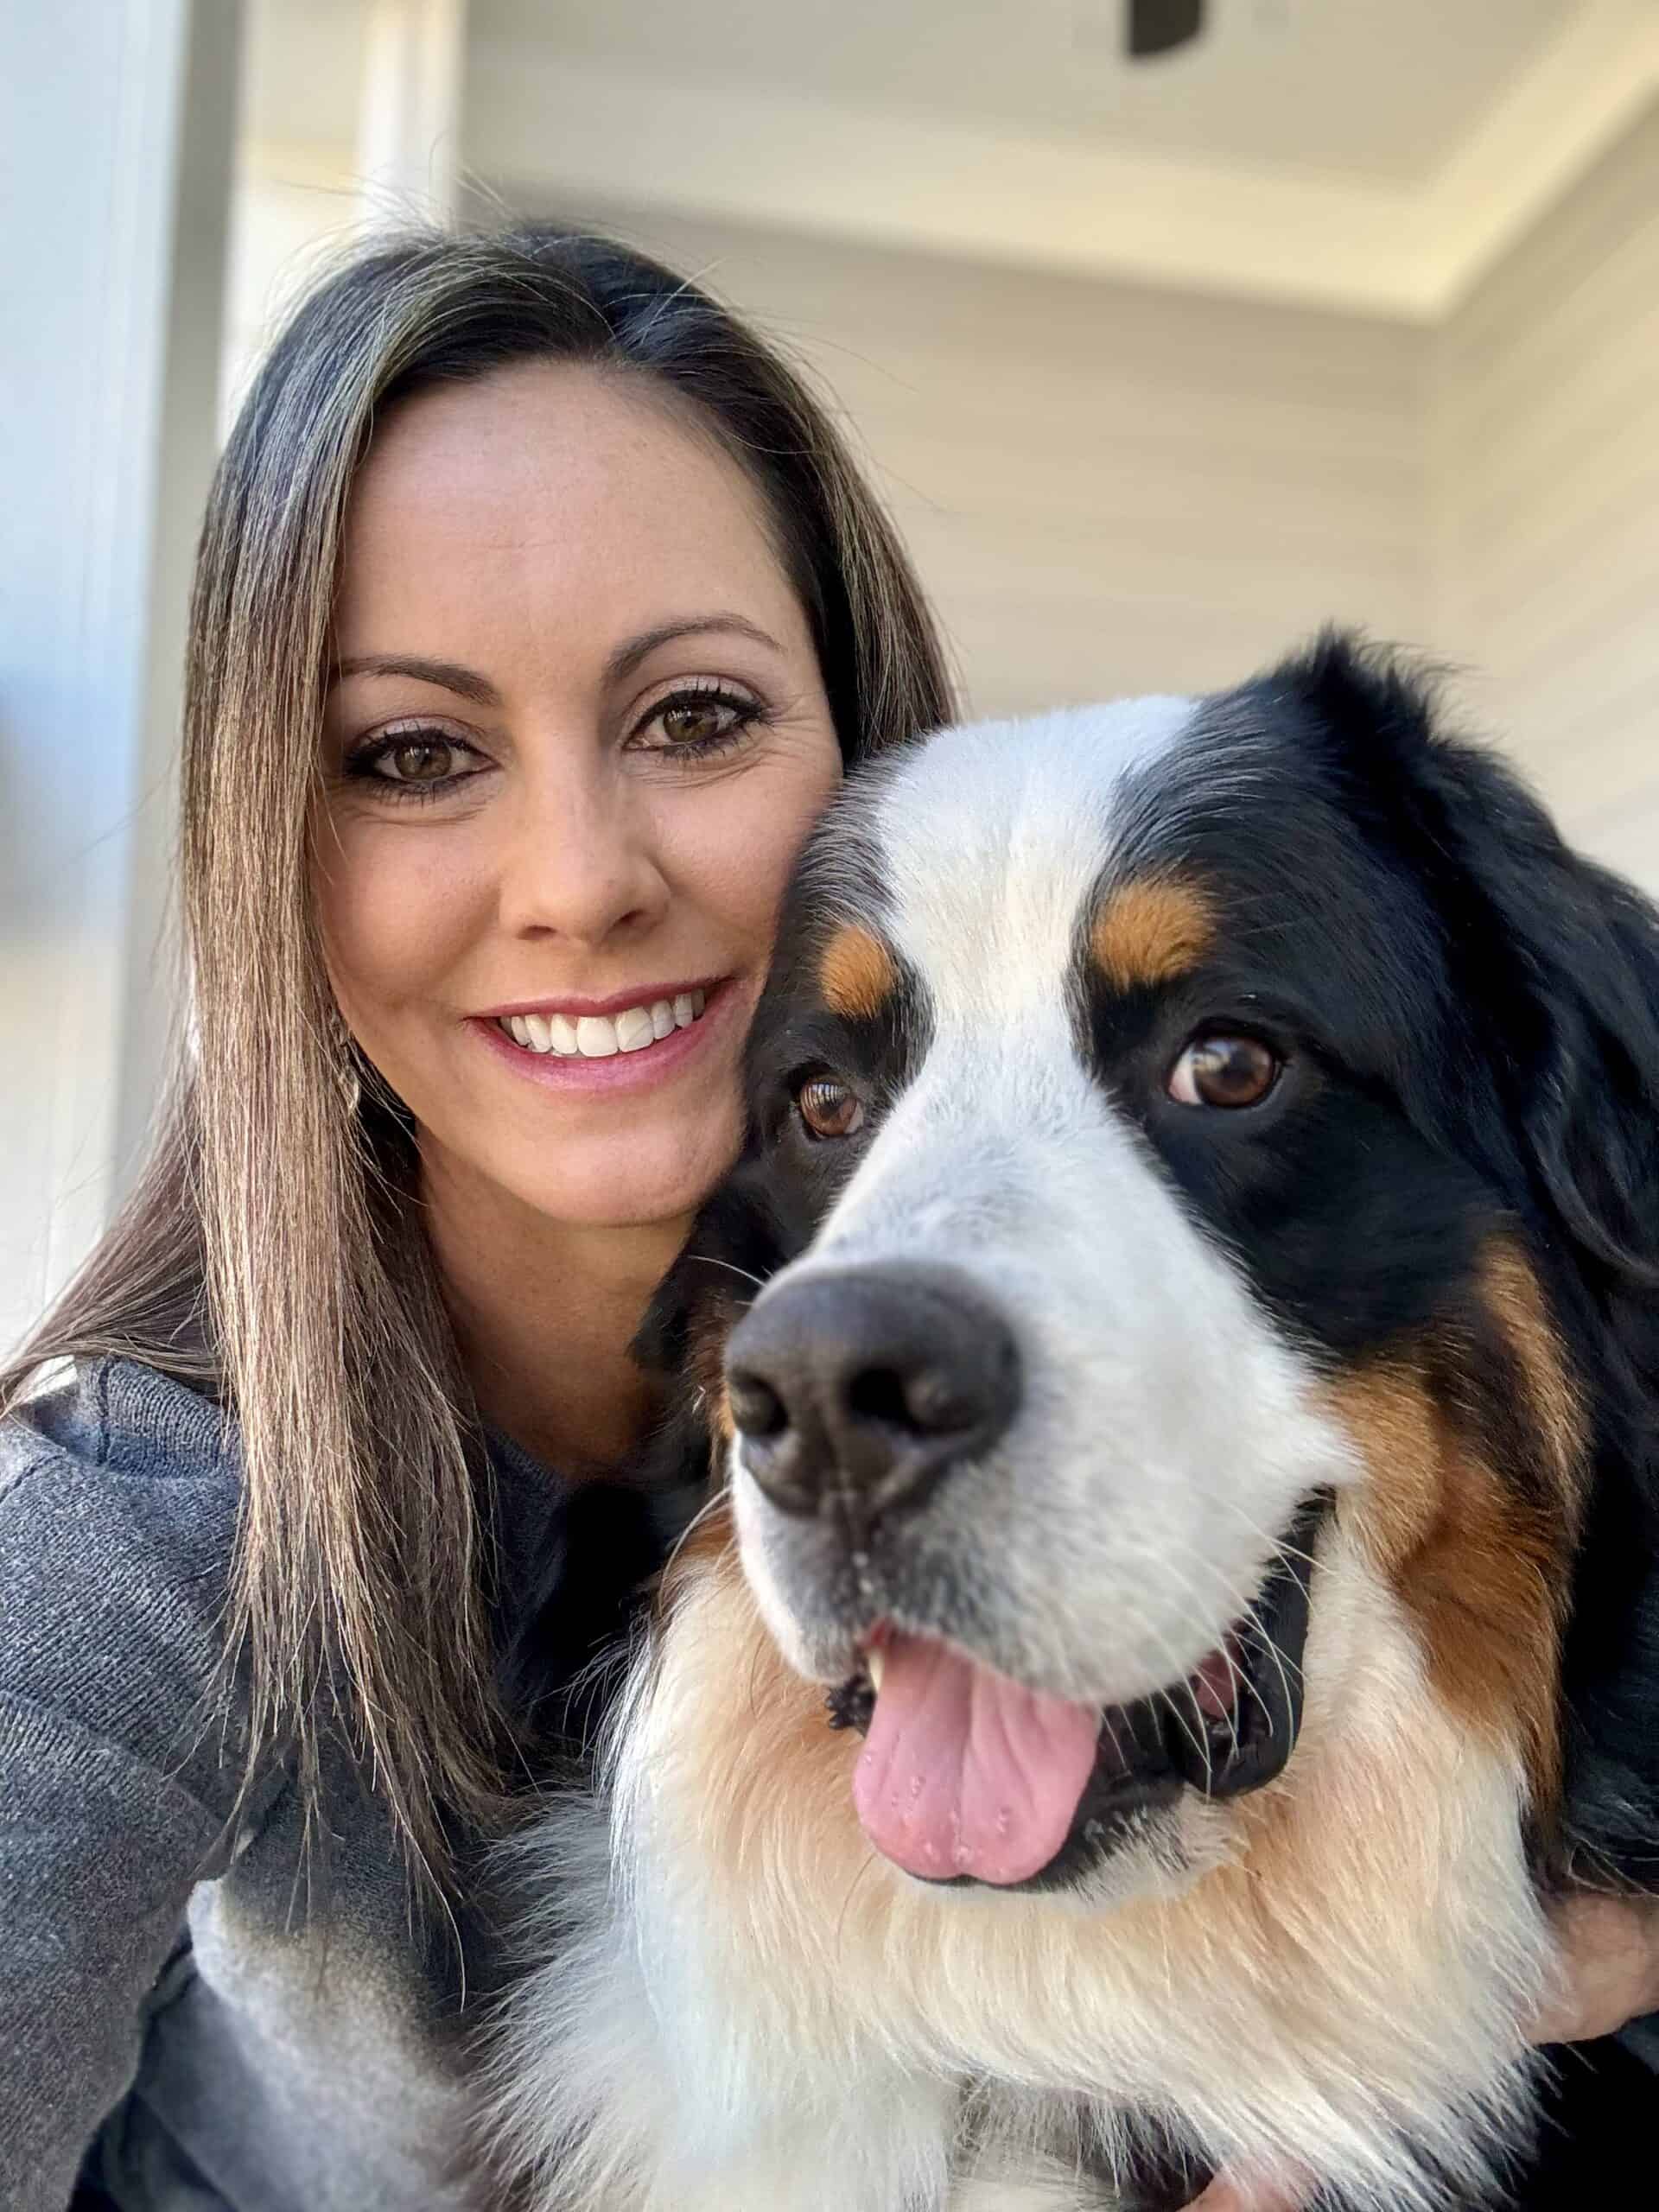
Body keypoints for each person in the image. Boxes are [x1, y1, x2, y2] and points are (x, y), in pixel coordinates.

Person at [0, 224, 1653, 2212]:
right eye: (413, 754)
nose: (577, 878)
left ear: (868, 753)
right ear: (284, 862)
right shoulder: (146, 1523)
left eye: (692, 714)